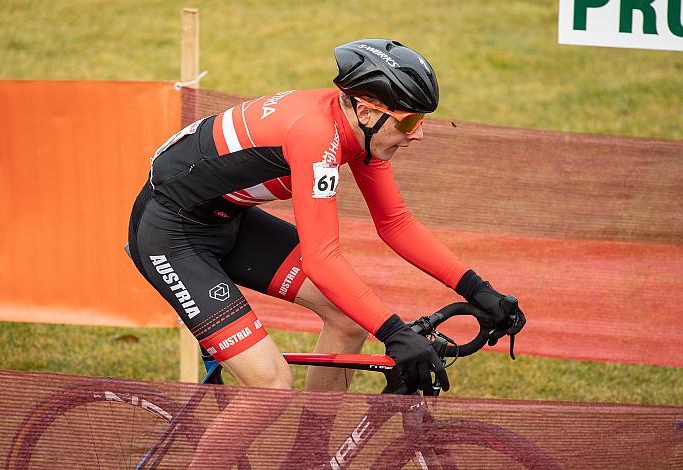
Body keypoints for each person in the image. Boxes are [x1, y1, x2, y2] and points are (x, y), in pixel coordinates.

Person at [127, 38, 526, 397]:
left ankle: (312, 451)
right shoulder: (316, 135)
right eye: (408, 121)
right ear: (368, 112)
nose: (417, 134)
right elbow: (322, 258)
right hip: (170, 234)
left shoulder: (358, 133)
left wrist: (477, 289)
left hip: (225, 217)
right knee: (272, 386)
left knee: (348, 321)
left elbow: (395, 223)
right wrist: (393, 332)